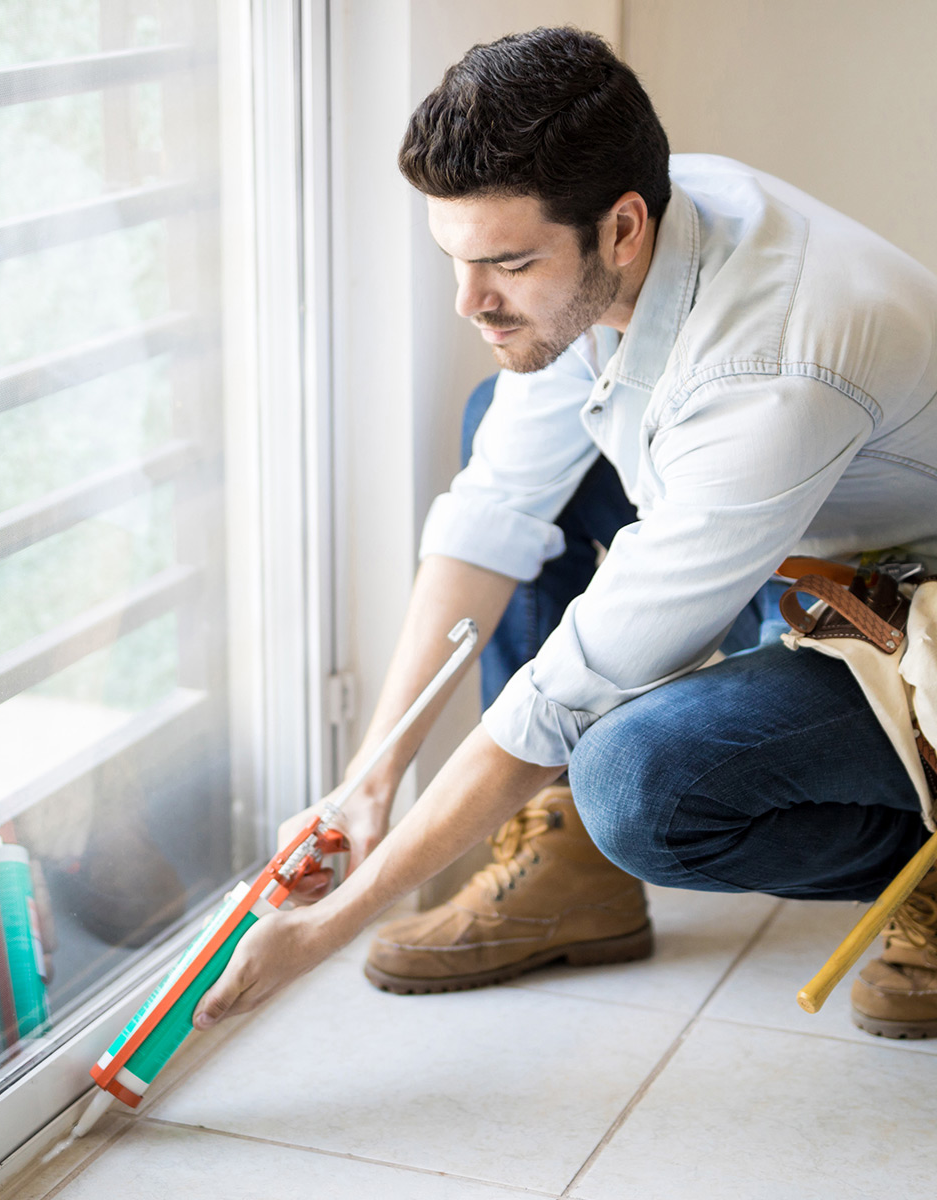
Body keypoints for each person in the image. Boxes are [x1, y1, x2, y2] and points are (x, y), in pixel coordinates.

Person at [196, 26, 937, 1038]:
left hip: (918, 614)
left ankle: (920, 862)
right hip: (810, 543)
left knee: (636, 781)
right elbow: (496, 512)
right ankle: (562, 864)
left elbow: (567, 693)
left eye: (505, 264)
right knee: (498, 424)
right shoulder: (635, 227)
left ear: (621, 229)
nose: (470, 303)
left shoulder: (767, 373)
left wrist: (323, 928)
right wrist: (368, 782)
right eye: (456, 260)